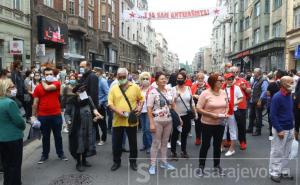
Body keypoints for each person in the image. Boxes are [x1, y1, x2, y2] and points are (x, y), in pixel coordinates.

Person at [108, 68, 144, 171]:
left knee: (133, 143)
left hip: (131, 120)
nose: (122, 78)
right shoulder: (113, 88)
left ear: (128, 76)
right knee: (116, 143)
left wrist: (140, 107)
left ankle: (133, 162)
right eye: (120, 77)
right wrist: (117, 111)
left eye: (124, 76)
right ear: (117, 77)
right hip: (117, 120)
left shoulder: (135, 87)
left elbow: (141, 99)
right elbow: (110, 103)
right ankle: (116, 162)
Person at [32, 67, 68, 164]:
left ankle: (60, 154)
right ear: (43, 75)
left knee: (58, 136)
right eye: (46, 74)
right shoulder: (38, 87)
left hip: (56, 115)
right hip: (43, 116)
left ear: (54, 75)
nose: (48, 76)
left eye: (50, 74)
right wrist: (33, 116)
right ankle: (45, 155)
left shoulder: (56, 83)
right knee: (45, 137)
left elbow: (47, 88)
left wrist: (42, 81)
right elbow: (35, 103)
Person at [196, 74, 228, 177]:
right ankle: (201, 167)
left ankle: (217, 165)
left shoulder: (223, 92)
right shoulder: (205, 93)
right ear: (213, 81)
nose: (222, 82)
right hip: (207, 123)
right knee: (206, 145)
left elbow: (227, 105)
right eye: (219, 80)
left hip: (220, 123)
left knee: (217, 145)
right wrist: (211, 115)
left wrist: (225, 113)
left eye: (222, 80)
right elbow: (198, 108)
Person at [66, 82, 102, 172]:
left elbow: (94, 108)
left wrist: (97, 113)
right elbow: (67, 113)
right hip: (76, 126)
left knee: (87, 143)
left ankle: (84, 160)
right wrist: (68, 120)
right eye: (81, 90)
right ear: (76, 92)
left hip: (88, 125)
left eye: (84, 90)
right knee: (79, 144)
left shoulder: (88, 99)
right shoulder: (71, 101)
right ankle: (79, 162)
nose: (83, 92)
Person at [147, 72, 177, 175]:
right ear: (156, 81)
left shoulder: (169, 91)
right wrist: (151, 123)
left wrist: (178, 116)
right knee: (156, 143)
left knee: (164, 143)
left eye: (165, 78)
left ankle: (164, 162)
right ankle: (152, 164)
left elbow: (173, 104)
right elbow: (149, 108)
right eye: (161, 79)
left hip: (168, 121)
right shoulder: (153, 92)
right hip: (157, 121)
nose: (164, 80)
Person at [269, 76, 295, 183]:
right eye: (291, 82)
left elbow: (290, 111)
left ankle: (283, 170)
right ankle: (274, 172)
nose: (293, 83)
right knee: (277, 151)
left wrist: (293, 127)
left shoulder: (289, 95)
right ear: (284, 84)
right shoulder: (277, 97)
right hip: (281, 128)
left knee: (287, 152)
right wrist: (279, 129)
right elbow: (272, 115)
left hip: (290, 128)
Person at [0, 78, 25, 185]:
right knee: (15, 165)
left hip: (2, 138)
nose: (15, 88)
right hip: (13, 138)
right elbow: (19, 122)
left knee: (6, 164)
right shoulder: (10, 103)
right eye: (12, 86)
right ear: (6, 88)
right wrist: (23, 125)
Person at [170, 72, 196, 159]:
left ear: (185, 79)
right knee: (175, 134)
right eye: (178, 78)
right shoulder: (173, 89)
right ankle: (173, 152)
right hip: (176, 115)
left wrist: (195, 112)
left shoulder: (188, 88)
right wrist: (176, 97)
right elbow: (170, 103)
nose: (180, 80)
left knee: (185, 134)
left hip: (186, 114)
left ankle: (183, 151)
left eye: (181, 78)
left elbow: (191, 102)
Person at [78, 60, 99, 154]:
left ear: (88, 66)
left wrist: (93, 109)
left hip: (90, 107)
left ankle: (92, 148)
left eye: (82, 66)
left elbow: (93, 94)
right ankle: (86, 146)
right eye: (80, 67)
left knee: (92, 129)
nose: (81, 68)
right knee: (85, 129)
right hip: (83, 106)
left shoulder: (93, 76)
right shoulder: (83, 76)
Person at [221, 73, 243, 156]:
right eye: (228, 79)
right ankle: (222, 146)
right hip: (223, 111)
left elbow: (241, 98)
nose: (230, 81)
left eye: (231, 79)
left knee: (232, 129)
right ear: (225, 80)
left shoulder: (236, 88)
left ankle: (232, 148)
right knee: (223, 129)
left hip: (232, 111)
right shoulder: (221, 88)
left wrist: (233, 103)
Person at [231, 66, 251, 150]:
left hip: (241, 106)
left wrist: (245, 88)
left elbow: (249, 91)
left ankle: (242, 141)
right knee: (229, 125)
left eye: (237, 72)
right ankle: (228, 140)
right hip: (230, 106)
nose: (235, 74)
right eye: (233, 72)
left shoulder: (243, 80)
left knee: (241, 125)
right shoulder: (227, 81)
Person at [247, 68, 268, 136]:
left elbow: (264, 91)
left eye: (255, 72)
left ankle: (258, 131)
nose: (253, 73)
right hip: (253, 100)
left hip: (258, 101)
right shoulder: (256, 80)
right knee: (251, 115)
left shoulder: (263, 80)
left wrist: (260, 100)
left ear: (258, 73)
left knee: (258, 116)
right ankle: (250, 129)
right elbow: (253, 89)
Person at [191, 72, 209, 145]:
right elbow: (190, 95)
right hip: (196, 107)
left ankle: (205, 138)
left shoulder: (208, 86)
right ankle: (198, 138)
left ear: (204, 79)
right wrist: (194, 95)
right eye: (199, 78)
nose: (200, 79)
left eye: (202, 78)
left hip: (206, 107)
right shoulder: (193, 86)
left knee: (206, 124)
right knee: (197, 123)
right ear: (197, 79)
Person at [94, 67, 109, 146]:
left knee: (102, 123)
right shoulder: (94, 80)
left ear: (99, 72)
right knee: (94, 122)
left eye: (95, 72)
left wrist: (101, 101)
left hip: (101, 106)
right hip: (94, 105)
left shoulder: (103, 81)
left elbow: (108, 94)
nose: (94, 73)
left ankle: (103, 139)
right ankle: (96, 138)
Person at [139, 72, 152, 154]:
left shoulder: (152, 89)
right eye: (143, 79)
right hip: (141, 111)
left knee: (147, 129)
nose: (145, 80)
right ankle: (145, 144)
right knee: (143, 129)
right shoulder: (139, 89)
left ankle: (150, 146)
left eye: (147, 79)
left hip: (148, 111)